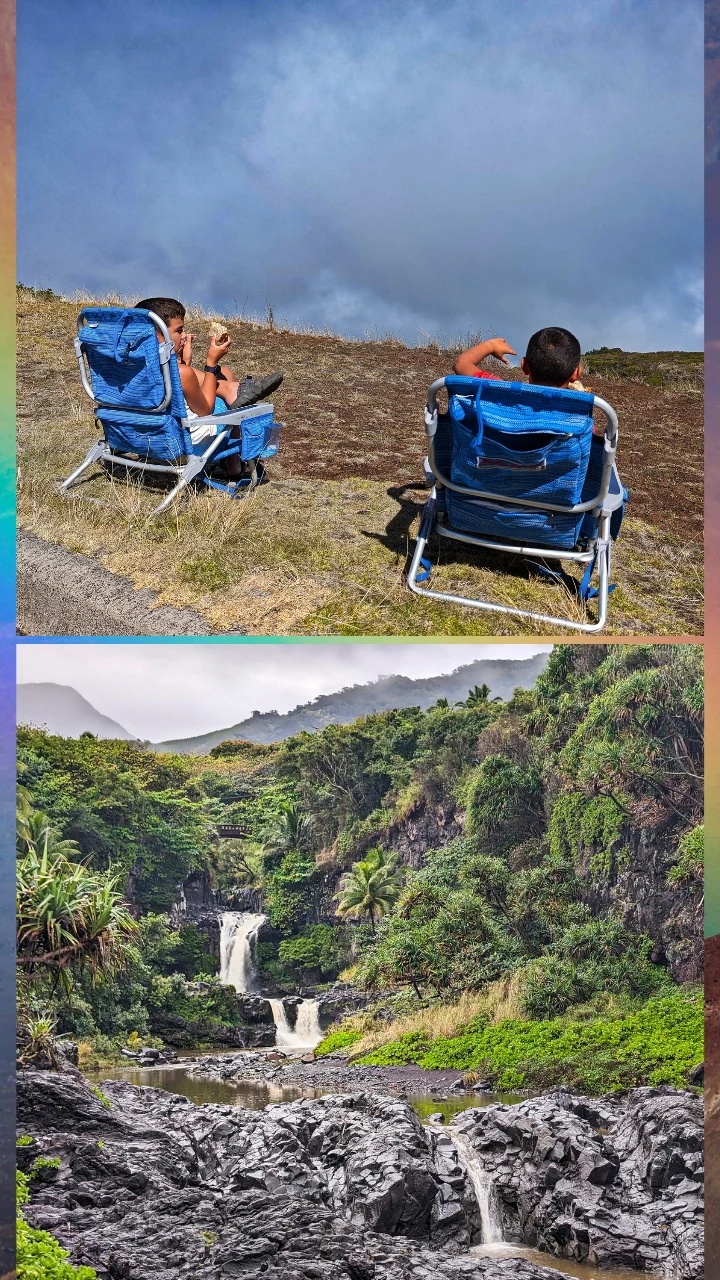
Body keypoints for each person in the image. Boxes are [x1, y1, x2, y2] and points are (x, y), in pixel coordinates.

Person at [135, 296, 282, 476]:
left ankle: (232, 390)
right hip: (185, 445)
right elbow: (205, 410)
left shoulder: (127, 366)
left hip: (139, 438)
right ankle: (235, 465)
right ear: (158, 335)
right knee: (234, 405)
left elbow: (175, 394)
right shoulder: (181, 373)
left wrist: (184, 361)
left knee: (225, 373)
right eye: (179, 331)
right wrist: (211, 363)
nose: (183, 336)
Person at [452, 327, 584, 389]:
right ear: (576, 373)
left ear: (524, 366)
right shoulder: (580, 419)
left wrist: (491, 345)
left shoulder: (501, 392)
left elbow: (461, 363)